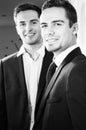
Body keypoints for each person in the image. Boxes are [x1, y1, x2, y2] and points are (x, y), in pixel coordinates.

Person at [33, 0, 86, 130]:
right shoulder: (59, 67)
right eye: (44, 25)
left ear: (75, 28)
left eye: (57, 24)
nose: (48, 32)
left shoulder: (79, 69)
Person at [0, 2, 53, 130]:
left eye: (33, 22)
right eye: (22, 24)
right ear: (17, 28)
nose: (28, 28)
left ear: (42, 25)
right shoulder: (4, 65)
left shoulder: (58, 60)